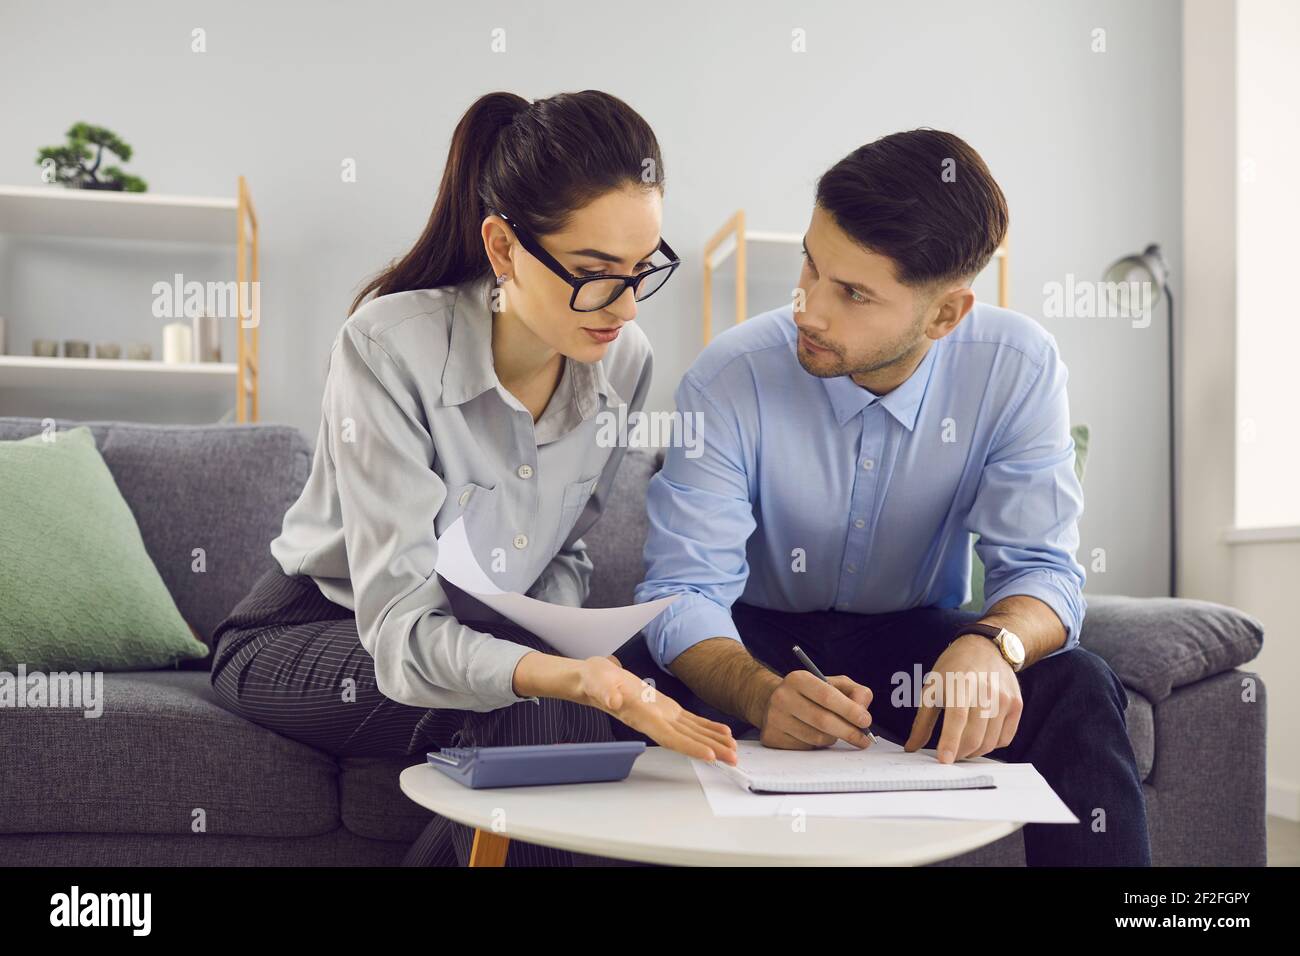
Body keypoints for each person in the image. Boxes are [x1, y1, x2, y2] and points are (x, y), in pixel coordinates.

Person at [209, 89, 737, 868]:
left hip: (478, 625)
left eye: (641, 270)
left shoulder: (623, 358)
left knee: (586, 721)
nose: (624, 307)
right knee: (535, 712)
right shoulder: (387, 349)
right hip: (313, 628)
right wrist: (556, 675)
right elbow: (398, 630)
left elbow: (565, 553)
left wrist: (561, 650)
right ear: (502, 248)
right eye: (595, 274)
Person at [629, 129, 1151, 866]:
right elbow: (682, 591)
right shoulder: (729, 378)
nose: (808, 307)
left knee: (1078, 686)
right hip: (753, 639)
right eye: (812, 263)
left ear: (944, 316)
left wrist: (990, 645)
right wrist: (758, 694)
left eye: (852, 293)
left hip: (916, 652)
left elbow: (1045, 571)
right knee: (619, 679)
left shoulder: (1017, 369)